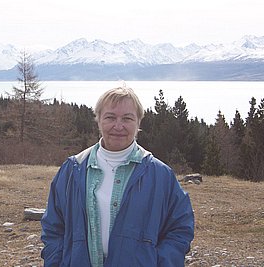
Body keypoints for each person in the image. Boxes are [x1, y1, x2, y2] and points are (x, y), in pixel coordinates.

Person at [40, 86, 194, 266]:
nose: (118, 126)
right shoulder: (73, 170)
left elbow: (180, 228)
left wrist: (161, 262)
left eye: (127, 118)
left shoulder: (160, 175)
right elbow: (53, 226)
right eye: (110, 117)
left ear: (138, 124)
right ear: (98, 120)